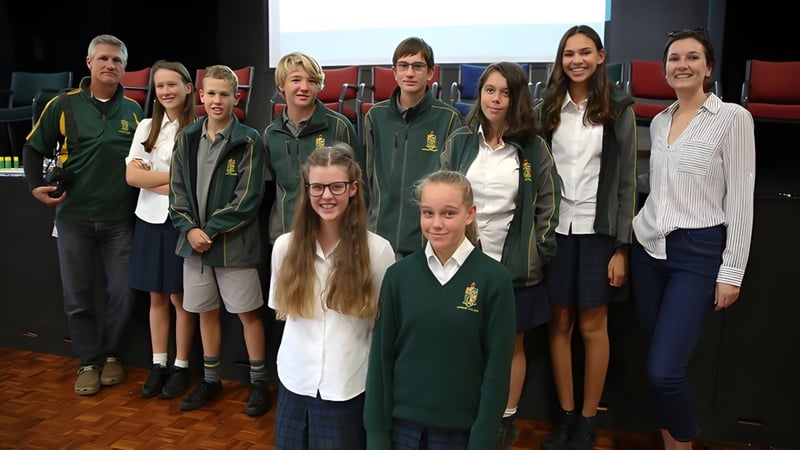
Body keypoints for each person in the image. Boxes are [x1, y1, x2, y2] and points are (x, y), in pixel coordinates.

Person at [631, 28, 755, 450]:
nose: (681, 65)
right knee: (654, 364)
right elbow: (661, 186)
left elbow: (741, 198)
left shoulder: (733, 119)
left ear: (709, 68)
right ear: (664, 69)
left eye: (692, 57)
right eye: (674, 58)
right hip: (648, 251)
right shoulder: (660, 120)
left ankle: (682, 445)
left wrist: (732, 271)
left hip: (698, 254)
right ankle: (671, 443)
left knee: (665, 370)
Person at [440, 61, 560, 449]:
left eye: (506, 92)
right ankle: (468, 409)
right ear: (480, 93)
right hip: (462, 259)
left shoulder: (532, 147)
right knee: (464, 339)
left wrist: (537, 250)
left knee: (511, 345)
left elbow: (548, 203)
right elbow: (443, 193)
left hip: (513, 264)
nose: (496, 99)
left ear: (517, 97)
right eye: (490, 90)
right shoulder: (459, 141)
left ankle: (505, 418)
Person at [534, 25, 638, 450]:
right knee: (559, 323)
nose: (576, 60)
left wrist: (622, 246)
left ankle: (589, 420)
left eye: (584, 52)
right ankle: (564, 416)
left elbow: (628, 181)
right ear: (561, 60)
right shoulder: (548, 106)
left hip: (598, 232)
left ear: (600, 55)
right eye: (568, 53)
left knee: (594, 327)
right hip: (557, 230)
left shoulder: (618, 107)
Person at [22, 34, 143, 396]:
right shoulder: (62, 105)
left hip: (120, 218)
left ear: (124, 68)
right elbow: (32, 146)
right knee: (78, 295)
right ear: (88, 63)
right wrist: (33, 186)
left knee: (123, 294)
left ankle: (112, 356)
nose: (110, 65)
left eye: (117, 61)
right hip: (73, 218)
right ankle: (88, 361)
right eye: (103, 58)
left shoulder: (135, 111)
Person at [364, 170, 516, 450]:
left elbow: (497, 370)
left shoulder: (495, 280)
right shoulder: (398, 277)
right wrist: (376, 434)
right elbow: (381, 361)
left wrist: (483, 439)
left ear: (470, 214)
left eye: (448, 214)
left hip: (462, 433)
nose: (436, 224)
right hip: (403, 429)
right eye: (427, 213)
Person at [269, 143, 395, 449]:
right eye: (317, 187)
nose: (326, 196)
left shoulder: (378, 251)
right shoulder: (284, 247)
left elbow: (382, 330)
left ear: (352, 188)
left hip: (347, 388)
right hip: (294, 383)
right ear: (307, 189)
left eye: (336, 186)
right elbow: (282, 311)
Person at [168, 64, 270, 417]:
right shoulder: (187, 137)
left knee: (247, 315)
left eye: (224, 94)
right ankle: (211, 380)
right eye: (210, 93)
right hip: (193, 246)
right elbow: (176, 191)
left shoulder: (250, 139)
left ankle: (258, 382)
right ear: (200, 96)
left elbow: (248, 198)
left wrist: (208, 230)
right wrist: (190, 230)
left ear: (236, 97)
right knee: (205, 313)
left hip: (233, 246)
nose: (217, 100)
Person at [125, 60, 197, 400]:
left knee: (180, 298)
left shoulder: (199, 127)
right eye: (160, 86)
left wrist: (154, 179)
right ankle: (158, 363)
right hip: (149, 219)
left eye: (173, 84)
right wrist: (173, 180)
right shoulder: (145, 127)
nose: (166, 91)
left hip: (181, 221)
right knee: (155, 296)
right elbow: (132, 177)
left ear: (188, 88)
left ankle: (181, 366)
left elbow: (194, 185)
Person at [363, 37, 463, 258]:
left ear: (430, 73)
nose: (410, 73)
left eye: (418, 66)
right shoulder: (375, 117)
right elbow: (366, 178)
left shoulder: (448, 119)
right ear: (394, 72)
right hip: (379, 237)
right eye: (403, 66)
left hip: (428, 240)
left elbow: (454, 182)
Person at [263, 51, 363, 245]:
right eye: (296, 80)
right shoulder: (271, 133)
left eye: (311, 81)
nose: (304, 87)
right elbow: (268, 190)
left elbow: (358, 184)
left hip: (332, 236)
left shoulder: (339, 126)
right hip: (285, 235)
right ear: (281, 85)